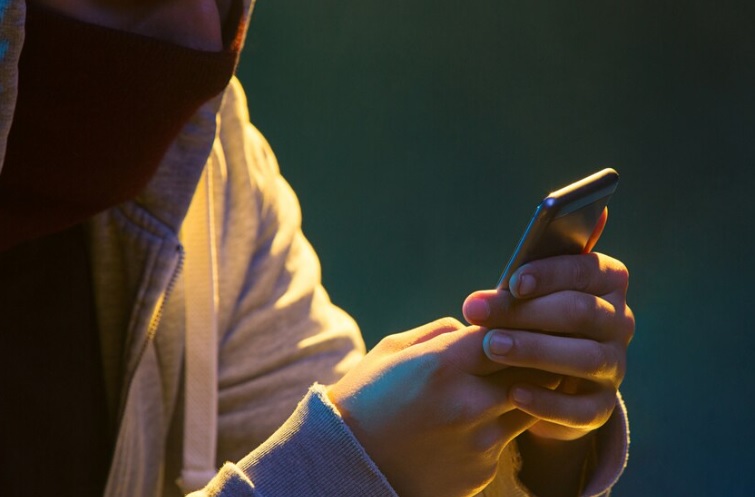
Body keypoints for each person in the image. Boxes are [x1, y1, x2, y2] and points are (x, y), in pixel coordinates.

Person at [0, 0, 634, 496]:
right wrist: (349, 468)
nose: (204, 35)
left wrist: (529, 441)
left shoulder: (212, 164)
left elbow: (327, 438)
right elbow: (333, 462)